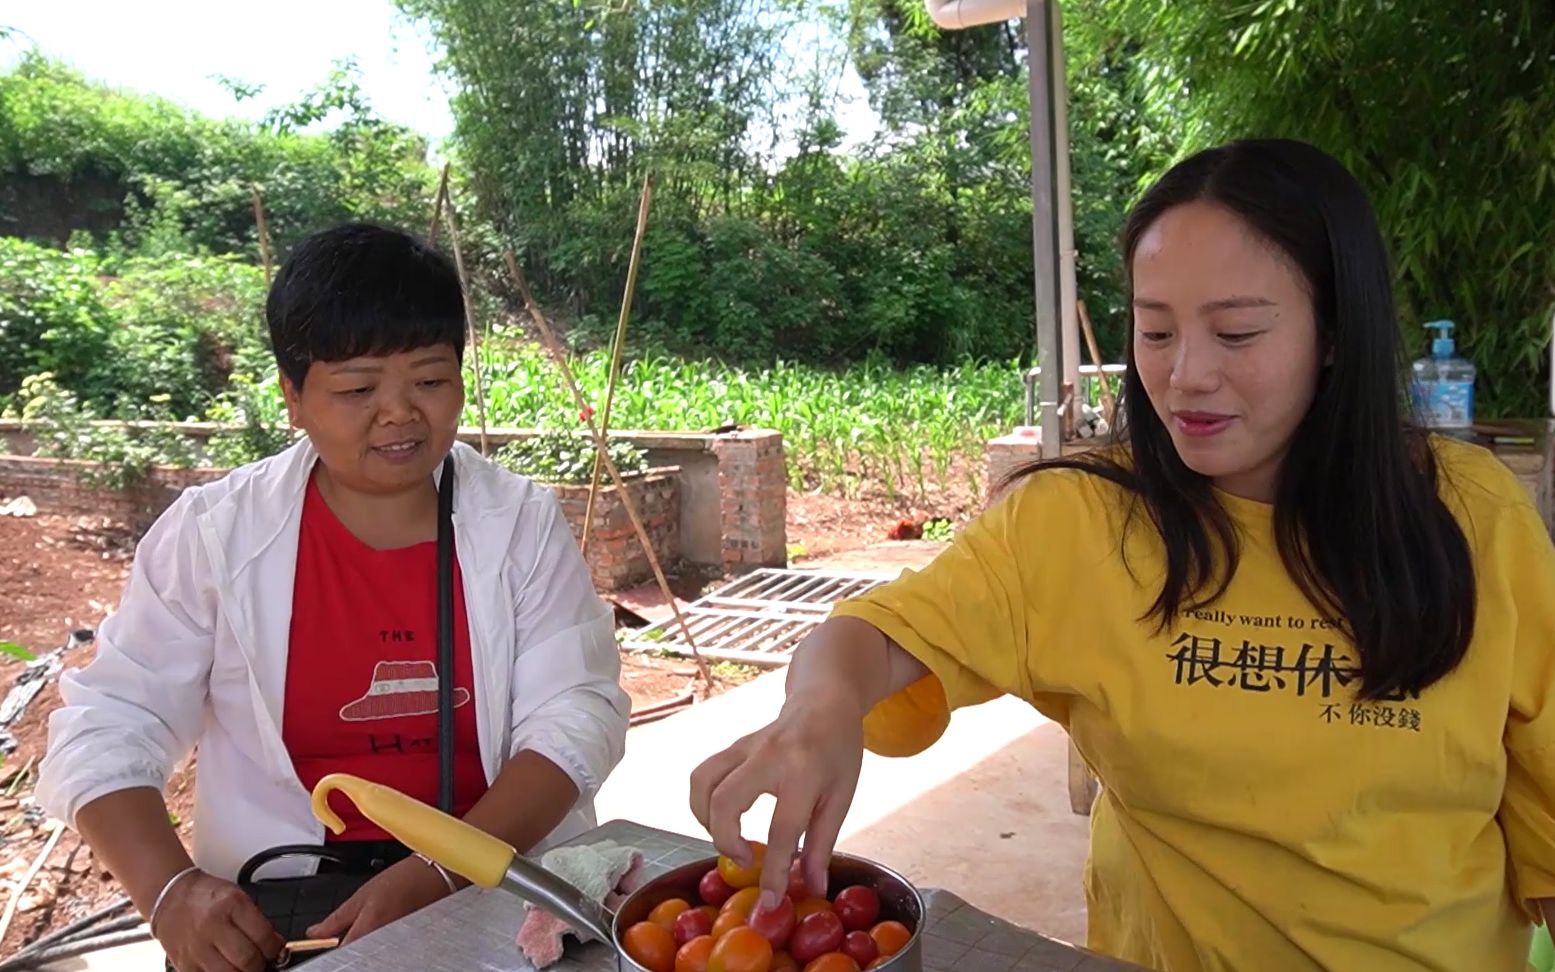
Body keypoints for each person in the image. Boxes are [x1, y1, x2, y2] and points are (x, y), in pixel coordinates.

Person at [689, 139, 1555, 971]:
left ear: (1334, 333)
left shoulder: (1471, 517)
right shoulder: (1079, 519)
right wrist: (820, 711)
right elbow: (874, 635)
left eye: (1238, 334)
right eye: (1155, 332)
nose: (1186, 376)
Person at [36, 223, 631, 972]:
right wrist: (169, 892)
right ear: (293, 396)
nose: (399, 413)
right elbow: (113, 720)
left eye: (430, 379)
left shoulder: (517, 524)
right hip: (281, 907)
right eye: (357, 388)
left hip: (498, 885)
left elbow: (575, 717)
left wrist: (444, 868)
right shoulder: (216, 536)